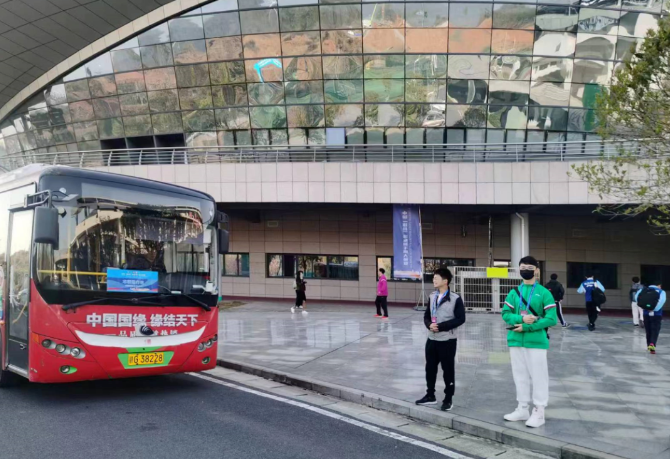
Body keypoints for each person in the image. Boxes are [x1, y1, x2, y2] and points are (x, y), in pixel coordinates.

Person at [502, 256, 557, 428]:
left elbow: (552, 318)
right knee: (519, 375)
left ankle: (539, 411)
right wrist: (521, 319)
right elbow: (505, 314)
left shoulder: (544, 292)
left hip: (536, 341)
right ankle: (522, 408)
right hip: (515, 340)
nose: (525, 270)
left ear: (537, 270)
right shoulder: (513, 292)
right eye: (522, 267)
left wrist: (528, 326)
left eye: (529, 267)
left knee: (539, 376)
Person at [415, 268, 466, 412]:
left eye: (436, 278)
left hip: (447, 340)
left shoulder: (455, 298)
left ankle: (448, 399)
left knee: (447, 370)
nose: (434, 280)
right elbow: (426, 315)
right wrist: (429, 325)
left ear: (445, 281)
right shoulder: (432, 296)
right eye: (433, 278)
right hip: (432, 339)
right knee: (430, 368)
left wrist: (441, 326)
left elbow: (461, 319)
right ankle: (430, 395)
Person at [635, 283, 666, 354]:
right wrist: (653, 309)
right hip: (657, 314)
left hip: (646, 313)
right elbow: (661, 302)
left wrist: (644, 307)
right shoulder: (661, 292)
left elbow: (637, 298)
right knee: (655, 330)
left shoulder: (642, 290)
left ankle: (648, 345)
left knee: (648, 330)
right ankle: (652, 344)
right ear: (658, 285)